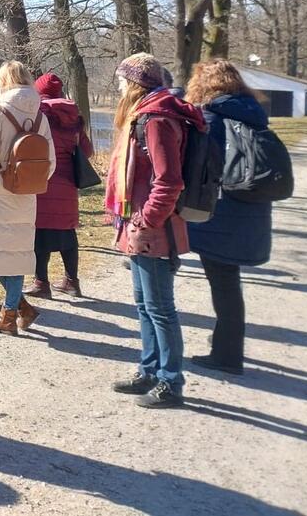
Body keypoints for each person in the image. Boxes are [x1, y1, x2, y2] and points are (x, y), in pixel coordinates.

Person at [106, 53, 205, 409]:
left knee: (160, 307)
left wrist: (145, 220)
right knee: (144, 305)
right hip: (142, 226)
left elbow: (168, 181)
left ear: (134, 84)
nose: (118, 86)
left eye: (121, 81)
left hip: (153, 228)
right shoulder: (145, 114)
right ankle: (149, 369)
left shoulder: (156, 119)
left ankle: (170, 381)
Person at [185, 59, 274, 375]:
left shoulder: (209, 118)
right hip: (251, 211)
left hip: (220, 214)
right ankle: (227, 344)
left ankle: (227, 354)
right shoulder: (254, 116)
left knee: (223, 285)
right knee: (228, 283)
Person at [0, 61, 55, 335]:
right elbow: (50, 163)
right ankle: (20, 309)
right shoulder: (42, 116)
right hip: (26, 194)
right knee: (12, 254)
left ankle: (9, 316)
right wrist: (32, 182)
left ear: (2, 82)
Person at [25, 73, 93, 299]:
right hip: (67, 183)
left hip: (42, 179)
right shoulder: (74, 116)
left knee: (39, 233)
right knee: (67, 232)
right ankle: (72, 282)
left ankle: (41, 283)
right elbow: (87, 150)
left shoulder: (38, 113)